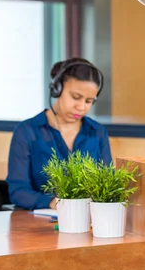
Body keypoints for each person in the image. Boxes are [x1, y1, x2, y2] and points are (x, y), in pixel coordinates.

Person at [6, 58, 112, 210]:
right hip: (38, 223)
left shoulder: (97, 132)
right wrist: (52, 203)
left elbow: (107, 185)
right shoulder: (27, 131)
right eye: (75, 97)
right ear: (57, 89)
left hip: (87, 222)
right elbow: (18, 191)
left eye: (89, 101)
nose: (81, 107)